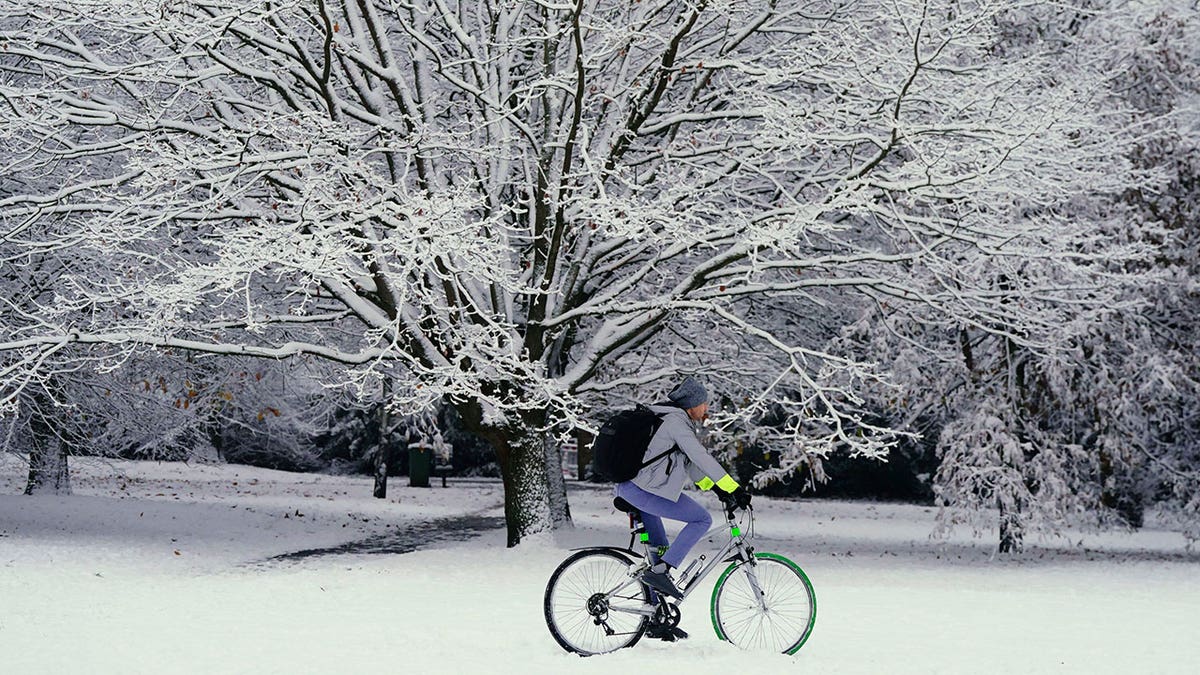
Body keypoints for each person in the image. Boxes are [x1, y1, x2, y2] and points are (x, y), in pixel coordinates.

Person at [614, 375, 751, 639]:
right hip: (641, 490)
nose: (707, 409)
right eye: (704, 404)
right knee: (701, 520)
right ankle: (664, 571)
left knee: (660, 548)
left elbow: (691, 466)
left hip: (633, 487)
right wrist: (734, 487)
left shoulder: (670, 420)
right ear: (692, 404)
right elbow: (700, 456)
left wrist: (718, 489)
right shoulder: (677, 423)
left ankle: (655, 618)